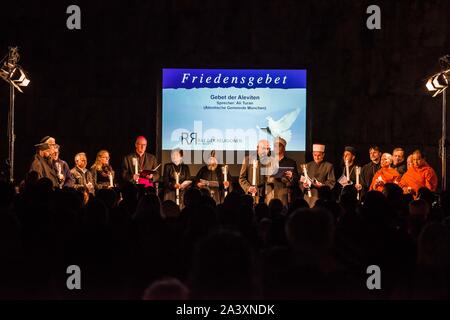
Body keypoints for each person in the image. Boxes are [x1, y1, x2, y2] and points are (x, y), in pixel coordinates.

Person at [239, 139, 276, 205]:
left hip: (268, 196)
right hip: (253, 195)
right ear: (257, 148)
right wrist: (248, 188)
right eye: (264, 148)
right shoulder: (248, 160)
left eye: (268, 149)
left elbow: (275, 178)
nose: (266, 151)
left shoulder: (272, 161)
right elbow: (242, 178)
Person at [266, 137, 299, 208]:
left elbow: (296, 180)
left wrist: (291, 177)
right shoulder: (268, 162)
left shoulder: (291, 162)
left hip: (284, 195)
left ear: (284, 148)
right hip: (270, 193)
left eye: (279, 146)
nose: (276, 148)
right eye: (275, 146)